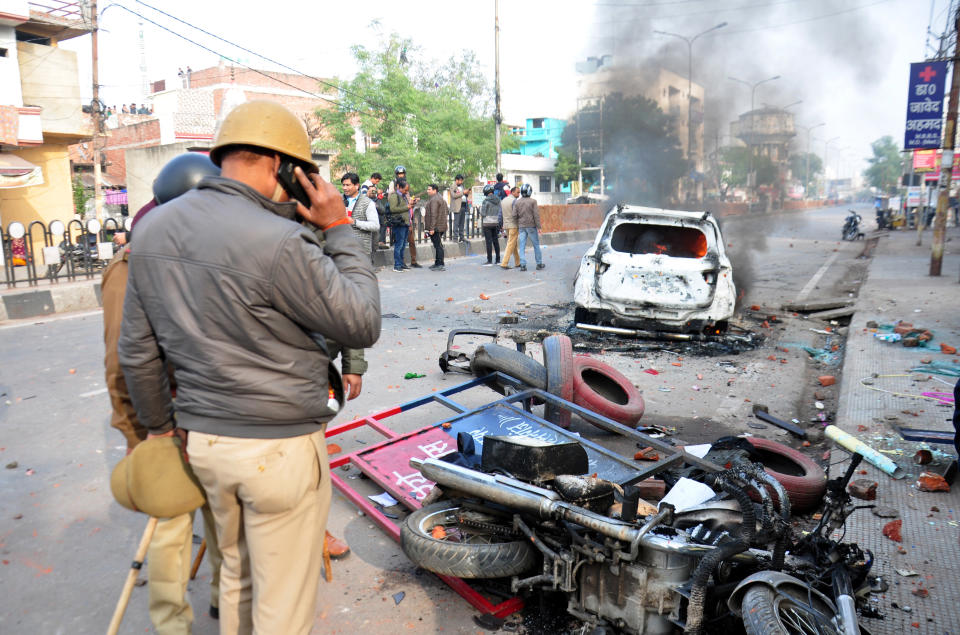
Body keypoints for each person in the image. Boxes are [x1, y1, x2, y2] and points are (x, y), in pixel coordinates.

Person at [118, 100, 381, 635]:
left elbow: (137, 352)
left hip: (205, 444)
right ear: (281, 165)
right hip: (278, 450)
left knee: (236, 578)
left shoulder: (151, 230)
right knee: (282, 607)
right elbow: (361, 322)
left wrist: (161, 429)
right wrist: (339, 227)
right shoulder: (281, 240)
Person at [104, 152, 224, 633]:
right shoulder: (132, 264)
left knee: (222, 515)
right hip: (163, 417)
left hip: (212, 411)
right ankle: (171, 622)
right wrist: (139, 432)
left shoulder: (206, 250)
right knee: (172, 523)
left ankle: (223, 599)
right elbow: (121, 361)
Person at [341, 172, 379, 262]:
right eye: (343, 185)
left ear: (357, 186)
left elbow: (375, 225)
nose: (345, 188)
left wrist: (355, 222)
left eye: (348, 185)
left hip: (361, 250)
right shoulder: (338, 200)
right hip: (342, 249)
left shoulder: (367, 203)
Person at [388, 178, 415, 273]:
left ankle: (402, 264)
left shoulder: (403, 196)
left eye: (407, 190)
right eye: (405, 189)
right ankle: (397, 265)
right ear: (399, 187)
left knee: (403, 245)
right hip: (399, 223)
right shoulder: (394, 196)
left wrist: (411, 204)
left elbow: (407, 208)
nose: (406, 191)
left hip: (405, 223)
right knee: (399, 245)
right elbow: (393, 209)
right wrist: (406, 207)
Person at [515, 183, 544, 271]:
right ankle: (539, 263)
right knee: (536, 245)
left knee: (522, 246)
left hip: (521, 227)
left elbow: (514, 215)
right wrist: (539, 227)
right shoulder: (533, 201)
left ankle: (523, 265)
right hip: (531, 226)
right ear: (529, 192)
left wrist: (518, 223)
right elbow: (536, 215)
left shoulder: (517, 202)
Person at [423, 183, 448, 271]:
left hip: (436, 227)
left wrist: (432, 228)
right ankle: (437, 262)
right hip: (440, 226)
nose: (428, 191)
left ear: (434, 190)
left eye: (429, 189)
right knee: (438, 245)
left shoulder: (434, 200)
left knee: (438, 245)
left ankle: (440, 264)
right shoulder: (440, 198)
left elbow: (434, 215)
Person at [480, 184, 501, 266]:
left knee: (489, 242)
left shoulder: (485, 201)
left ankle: (489, 260)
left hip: (487, 223)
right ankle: (498, 260)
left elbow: (483, 213)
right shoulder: (498, 200)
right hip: (496, 223)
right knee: (496, 241)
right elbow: (500, 211)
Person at [500, 186, 521, 269]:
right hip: (513, 225)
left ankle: (517, 262)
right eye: (517, 192)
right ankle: (504, 263)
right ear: (512, 192)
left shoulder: (503, 201)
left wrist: (501, 225)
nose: (519, 194)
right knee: (510, 244)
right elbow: (516, 214)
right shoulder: (515, 201)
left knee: (513, 244)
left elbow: (500, 214)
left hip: (506, 225)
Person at [450, 174, 466, 242]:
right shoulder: (453, 186)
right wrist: (463, 193)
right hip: (457, 206)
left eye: (462, 180)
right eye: (460, 180)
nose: (461, 182)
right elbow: (453, 195)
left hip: (463, 205)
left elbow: (463, 194)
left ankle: (461, 237)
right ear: (456, 180)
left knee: (462, 223)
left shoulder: (462, 186)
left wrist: (466, 192)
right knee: (456, 223)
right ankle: (455, 237)